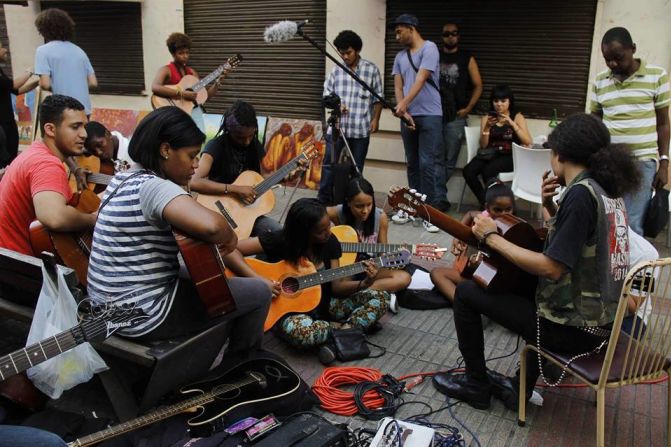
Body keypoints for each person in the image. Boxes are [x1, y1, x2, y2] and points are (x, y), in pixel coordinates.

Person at [431, 113, 640, 411]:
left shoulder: (581, 195)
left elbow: (552, 267)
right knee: (523, 286)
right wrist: (548, 205)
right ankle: (519, 390)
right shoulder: (606, 192)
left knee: (466, 293)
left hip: (574, 330)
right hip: (603, 323)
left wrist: (492, 238)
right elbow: (578, 244)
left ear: (560, 154)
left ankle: (476, 383)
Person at [86, 107, 271, 352]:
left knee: (204, 277)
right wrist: (231, 236)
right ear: (165, 150)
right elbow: (213, 227)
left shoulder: (123, 178)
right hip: (142, 315)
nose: (195, 165)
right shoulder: (155, 186)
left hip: (107, 305)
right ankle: (239, 370)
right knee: (259, 291)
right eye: (191, 156)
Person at [234, 198, 389, 349]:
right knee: (304, 333)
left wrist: (366, 283)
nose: (328, 233)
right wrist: (260, 281)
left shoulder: (331, 242)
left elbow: (337, 288)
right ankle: (348, 331)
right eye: (321, 231)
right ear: (303, 233)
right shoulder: (281, 240)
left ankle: (343, 329)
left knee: (381, 297)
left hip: (324, 305)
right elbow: (229, 250)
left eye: (328, 225)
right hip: (288, 311)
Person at [591, 26, 670, 236]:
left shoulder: (656, 76)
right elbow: (595, 122)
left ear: (633, 49)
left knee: (632, 225)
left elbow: (663, 122)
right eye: (608, 59)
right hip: (609, 162)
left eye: (618, 57)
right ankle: (609, 268)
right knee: (606, 221)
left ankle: (631, 269)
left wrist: (664, 162)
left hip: (642, 162)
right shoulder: (600, 81)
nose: (613, 64)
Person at [0, 95, 96, 256]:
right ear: (50, 129)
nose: (84, 134)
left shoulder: (35, 151)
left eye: (84, 126)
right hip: (18, 266)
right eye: (75, 127)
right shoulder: (46, 164)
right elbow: (54, 216)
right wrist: (94, 220)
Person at [389, 14, 448, 232]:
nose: (396, 37)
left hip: (430, 114)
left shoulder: (429, 48)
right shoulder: (399, 57)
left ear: (411, 28)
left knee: (427, 164)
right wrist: (403, 110)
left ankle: (430, 213)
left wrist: (403, 104)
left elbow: (422, 79)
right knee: (412, 163)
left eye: (399, 31)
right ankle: (412, 208)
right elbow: (398, 86)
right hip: (409, 116)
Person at [190, 100, 283, 236]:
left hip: (244, 213)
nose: (246, 142)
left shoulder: (255, 146)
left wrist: (290, 172)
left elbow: (264, 178)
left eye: (251, 136)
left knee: (277, 234)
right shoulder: (216, 146)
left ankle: (254, 258)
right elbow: (194, 181)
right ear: (229, 130)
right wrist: (236, 189)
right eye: (240, 137)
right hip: (217, 209)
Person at [317, 30, 383, 205]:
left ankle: (352, 203)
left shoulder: (371, 70)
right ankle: (323, 201)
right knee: (329, 166)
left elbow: (378, 98)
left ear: (357, 50)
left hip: (360, 129)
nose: (345, 56)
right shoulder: (336, 71)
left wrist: (376, 119)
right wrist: (337, 105)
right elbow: (326, 96)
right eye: (341, 52)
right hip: (337, 128)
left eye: (348, 52)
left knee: (356, 169)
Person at [430, 182, 515, 303]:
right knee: (436, 273)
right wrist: (457, 237)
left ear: (513, 207)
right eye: (497, 210)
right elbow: (470, 214)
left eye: (508, 209)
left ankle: (467, 305)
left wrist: (481, 264)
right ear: (487, 208)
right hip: (471, 274)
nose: (503, 214)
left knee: (439, 274)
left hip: (492, 282)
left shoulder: (514, 231)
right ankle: (463, 303)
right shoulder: (484, 217)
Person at [327, 177, 412, 293]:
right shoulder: (336, 213)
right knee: (337, 283)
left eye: (369, 204)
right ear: (348, 202)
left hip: (370, 269)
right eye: (359, 206)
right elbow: (308, 218)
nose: (365, 211)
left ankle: (360, 293)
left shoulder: (380, 218)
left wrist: (393, 256)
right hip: (346, 271)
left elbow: (383, 253)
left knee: (404, 278)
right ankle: (371, 294)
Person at [463, 84, 532, 207]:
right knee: (468, 171)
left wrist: (512, 124)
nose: (499, 104)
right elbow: (483, 145)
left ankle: (491, 206)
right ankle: (486, 203)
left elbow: (527, 141)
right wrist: (487, 127)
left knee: (488, 171)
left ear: (510, 101)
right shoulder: (487, 118)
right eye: (496, 101)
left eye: (503, 101)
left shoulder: (517, 116)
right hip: (489, 153)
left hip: (509, 155)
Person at [151, 32, 226, 130]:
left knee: (199, 138)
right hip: (174, 114)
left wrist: (217, 82)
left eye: (187, 52)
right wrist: (182, 94)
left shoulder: (192, 73)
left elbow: (204, 97)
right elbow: (155, 87)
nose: (185, 56)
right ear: (173, 54)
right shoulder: (166, 70)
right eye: (181, 53)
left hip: (193, 113)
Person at [439, 22, 483, 184]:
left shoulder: (466, 57)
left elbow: (478, 85)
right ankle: (432, 195)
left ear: (458, 36)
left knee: (449, 159)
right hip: (435, 115)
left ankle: (437, 195)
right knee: (432, 158)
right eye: (446, 34)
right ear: (442, 37)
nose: (450, 37)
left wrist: (468, 108)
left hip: (456, 116)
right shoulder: (435, 55)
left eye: (454, 33)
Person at [34, 8, 97, 116]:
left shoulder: (42, 51)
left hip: (63, 111)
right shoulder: (79, 51)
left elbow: (45, 84)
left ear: (43, 29)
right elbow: (93, 83)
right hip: (84, 110)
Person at [0, 42, 38, 168]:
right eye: (1, 47)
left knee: (11, 158)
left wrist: (38, 82)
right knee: (5, 161)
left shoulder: (1, 71)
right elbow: (14, 85)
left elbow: (17, 90)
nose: (5, 50)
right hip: (2, 125)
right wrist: (30, 71)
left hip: (8, 122)